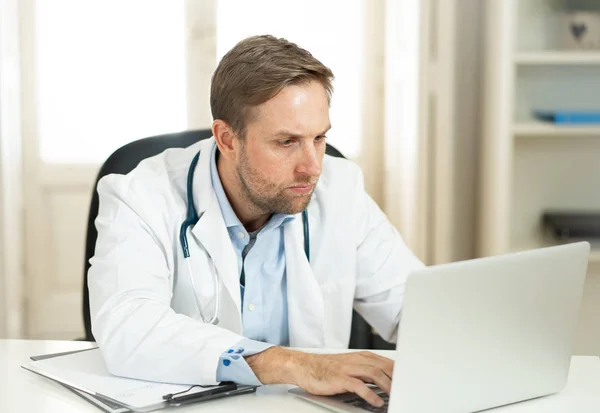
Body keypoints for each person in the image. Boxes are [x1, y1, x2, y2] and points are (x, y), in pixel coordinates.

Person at [88, 35, 424, 408]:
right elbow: (128, 326)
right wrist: (294, 365)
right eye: (287, 142)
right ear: (227, 139)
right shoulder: (140, 194)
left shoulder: (341, 189)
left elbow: (417, 309)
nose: (312, 167)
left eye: (319, 138)